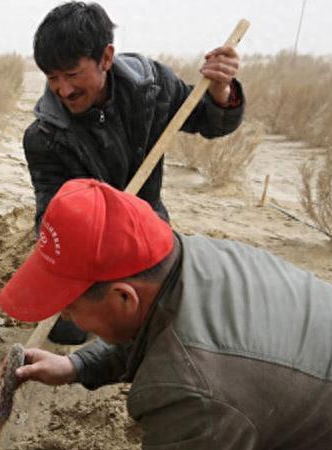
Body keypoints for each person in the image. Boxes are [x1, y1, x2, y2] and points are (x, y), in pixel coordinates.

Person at [0, 178, 332, 450]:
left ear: (124, 297)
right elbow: (162, 332)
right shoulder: (188, 260)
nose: (66, 318)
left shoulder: (195, 387)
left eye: (70, 309)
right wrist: (77, 366)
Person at [24, 2, 245, 344]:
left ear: (106, 58)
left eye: (72, 75)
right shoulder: (45, 137)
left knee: (166, 317)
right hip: (89, 244)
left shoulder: (151, 87)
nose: (63, 90)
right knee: (67, 329)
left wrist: (220, 91)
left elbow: (208, 120)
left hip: (148, 225)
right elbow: (49, 214)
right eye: (53, 78)